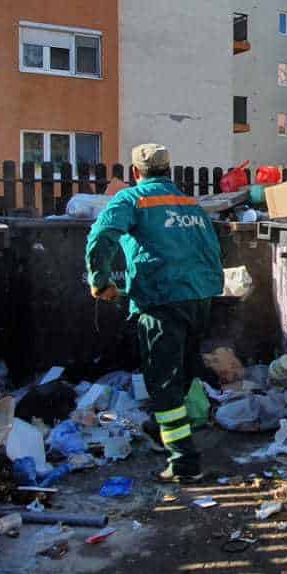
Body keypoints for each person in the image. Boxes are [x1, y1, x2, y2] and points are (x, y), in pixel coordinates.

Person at [86, 144, 223, 483]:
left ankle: (183, 463)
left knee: (162, 381)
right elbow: (211, 249)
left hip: (161, 300)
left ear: (135, 173)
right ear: (169, 170)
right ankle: (169, 429)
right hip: (200, 298)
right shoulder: (191, 204)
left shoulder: (132, 200)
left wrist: (99, 281)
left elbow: (102, 235)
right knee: (184, 370)